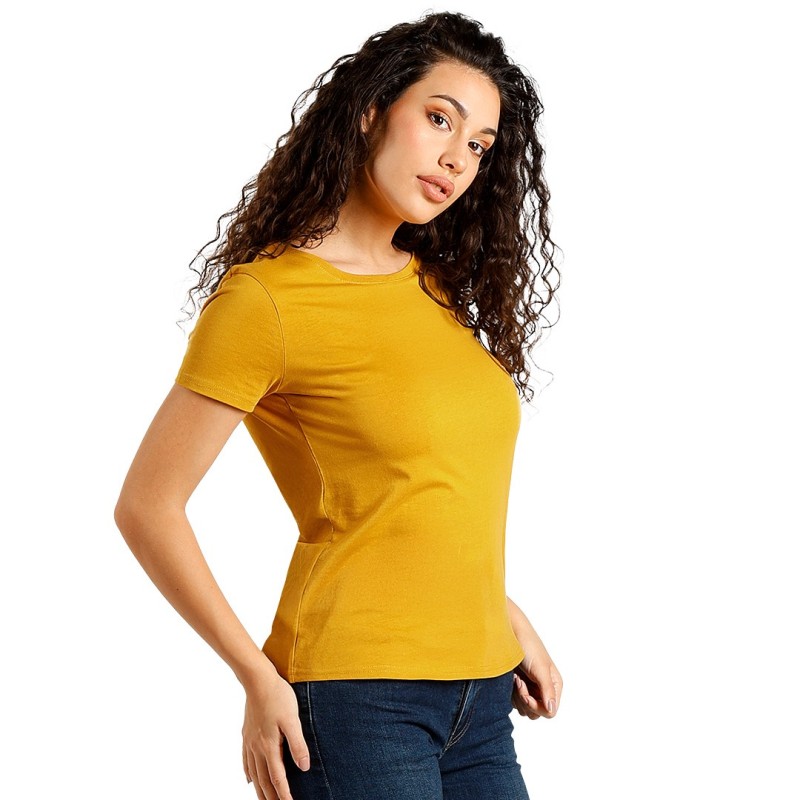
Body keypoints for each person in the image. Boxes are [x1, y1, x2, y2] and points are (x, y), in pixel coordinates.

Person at [114, 10, 563, 800]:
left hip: (483, 692)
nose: (457, 159)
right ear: (369, 113)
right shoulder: (267, 300)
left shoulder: (436, 288)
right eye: (439, 119)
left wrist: (500, 611)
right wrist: (255, 676)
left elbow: (420, 493)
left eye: (480, 145)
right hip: (358, 698)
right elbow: (148, 505)